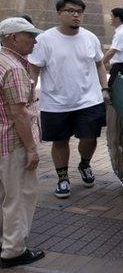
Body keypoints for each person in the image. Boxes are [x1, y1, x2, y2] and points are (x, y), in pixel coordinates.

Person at [28, 0, 109, 199]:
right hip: (55, 103)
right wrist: (29, 93)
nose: (76, 15)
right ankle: (63, 178)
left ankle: (84, 164)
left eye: (80, 12)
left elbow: (99, 64)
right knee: (60, 141)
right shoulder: (45, 40)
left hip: (89, 100)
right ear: (59, 13)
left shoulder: (90, 37)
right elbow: (34, 69)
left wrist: (105, 88)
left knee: (90, 138)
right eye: (70, 11)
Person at [0, 17, 45, 268]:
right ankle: (14, 251)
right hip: (12, 141)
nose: (35, 40)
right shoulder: (14, 68)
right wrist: (31, 149)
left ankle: (5, 242)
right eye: (29, 34)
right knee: (19, 196)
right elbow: (19, 113)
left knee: (4, 195)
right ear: (13, 37)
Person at [102, 8, 123, 89]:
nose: (110, 19)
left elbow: (112, 51)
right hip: (121, 67)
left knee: (112, 90)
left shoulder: (122, 32)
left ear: (117, 18)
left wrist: (101, 64)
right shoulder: (122, 31)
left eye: (111, 16)